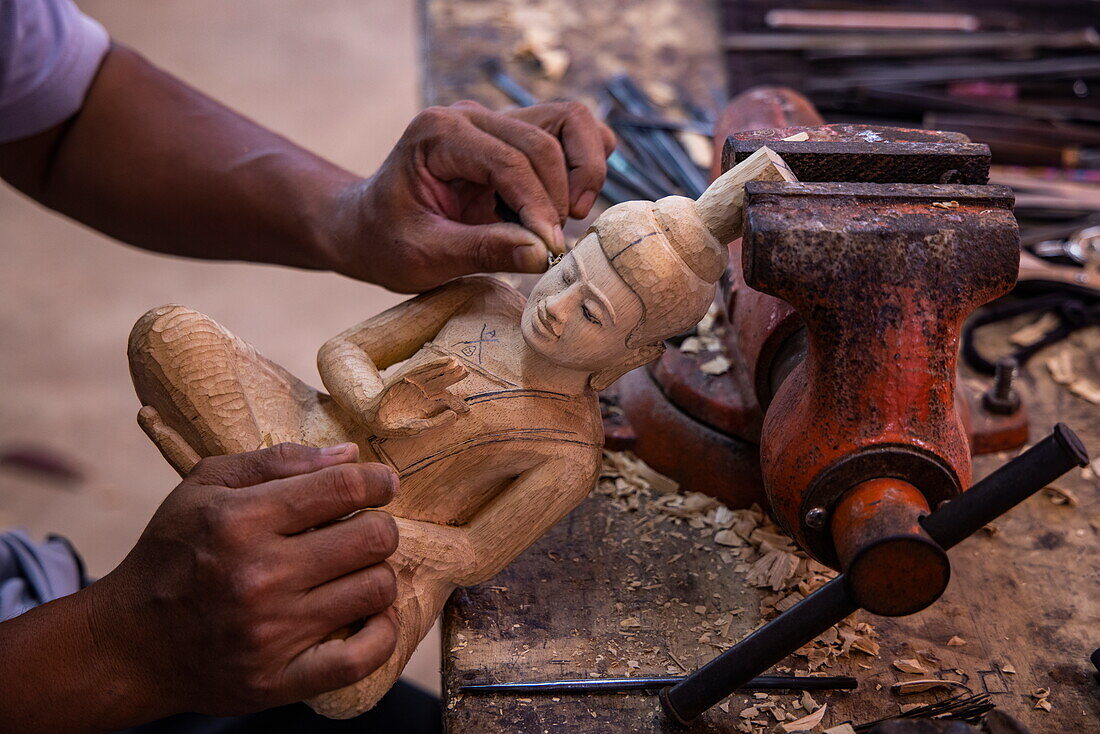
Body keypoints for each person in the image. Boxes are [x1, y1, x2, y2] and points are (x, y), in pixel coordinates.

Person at [0, 0, 614, 731]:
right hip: (57, 670)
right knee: (170, 338)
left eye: (604, 310)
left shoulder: (574, 447)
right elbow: (342, 355)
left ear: (635, 356)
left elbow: (58, 112)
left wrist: (349, 213)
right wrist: (121, 646)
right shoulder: (483, 299)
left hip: (383, 519)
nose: (564, 301)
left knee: (350, 677)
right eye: (579, 270)